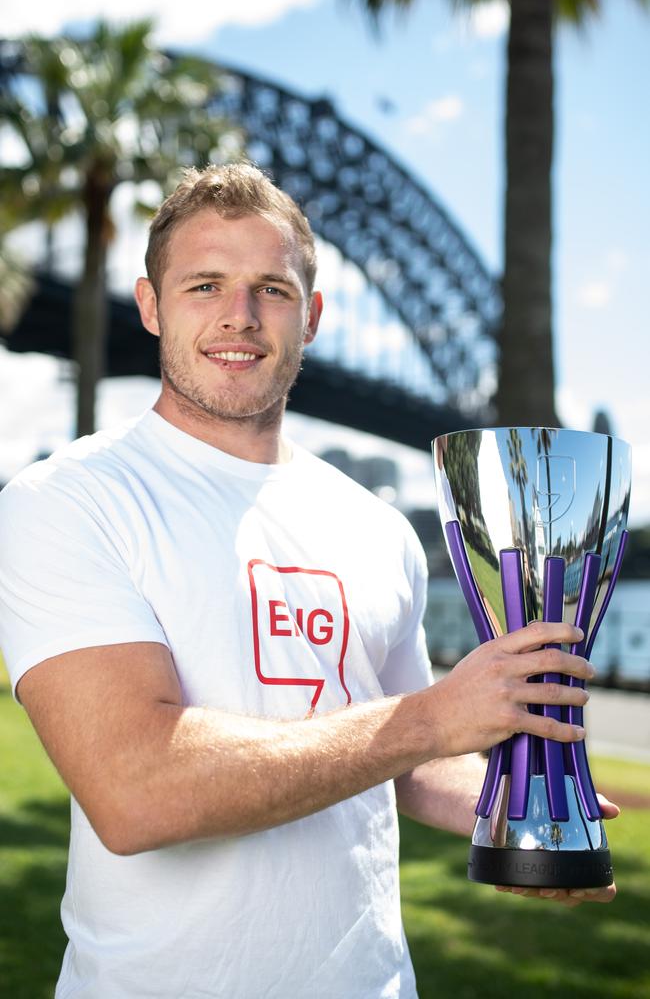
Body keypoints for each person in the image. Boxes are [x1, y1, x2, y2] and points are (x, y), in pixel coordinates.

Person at [0, 163, 617, 999]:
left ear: (313, 316)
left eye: (272, 289)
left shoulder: (377, 528)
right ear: (148, 306)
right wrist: (432, 718)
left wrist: (532, 815)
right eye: (204, 284)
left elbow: (406, 761)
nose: (239, 316)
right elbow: (134, 789)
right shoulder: (69, 500)